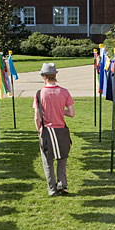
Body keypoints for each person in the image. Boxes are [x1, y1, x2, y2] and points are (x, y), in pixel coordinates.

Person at [33, 63, 75, 196]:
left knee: (48, 162)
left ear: (43, 76)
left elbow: (36, 116)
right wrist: (60, 111)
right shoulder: (64, 92)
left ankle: (52, 189)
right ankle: (62, 184)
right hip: (62, 131)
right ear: (55, 75)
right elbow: (71, 113)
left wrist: (39, 129)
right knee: (62, 159)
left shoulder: (40, 93)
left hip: (46, 131)